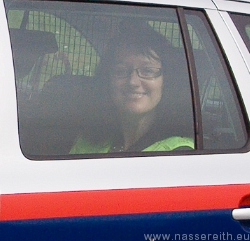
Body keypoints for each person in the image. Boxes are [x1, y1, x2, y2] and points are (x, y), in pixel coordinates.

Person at [70, 20, 194, 154]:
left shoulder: (180, 153)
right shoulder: (89, 141)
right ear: (107, 80)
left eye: (147, 71)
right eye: (121, 71)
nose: (133, 82)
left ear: (166, 81)